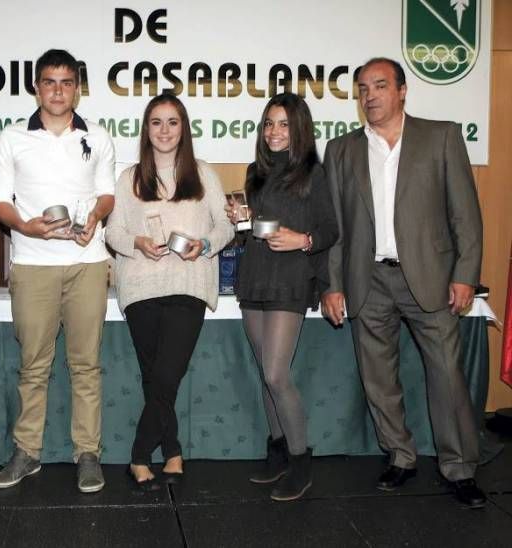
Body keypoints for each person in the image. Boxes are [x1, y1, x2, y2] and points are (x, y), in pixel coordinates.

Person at [321, 57, 486, 508]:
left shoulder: (442, 136)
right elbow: (335, 226)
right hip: (366, 279)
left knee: (448, 376)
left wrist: (465, 274)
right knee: (378, 378)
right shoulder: (341, 150)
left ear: (402, 90)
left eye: (378, 86)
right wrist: (333, 285)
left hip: (431, 279)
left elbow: (465, 217)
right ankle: (400, 455)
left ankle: (459, 468)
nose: (369, 96)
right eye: (362, 89)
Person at [0, 49, 115, 493]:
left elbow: (106, 194)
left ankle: (88, 454)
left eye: (66, 82)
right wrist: (25, 225)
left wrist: (97, 217)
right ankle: (27, 452)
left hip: (87, 263)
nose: (58, 90)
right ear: (36, 87)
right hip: (32, 264)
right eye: (49, 81)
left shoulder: (98, 137)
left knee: (86, 366)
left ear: (77, 88)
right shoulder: (11, 138)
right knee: (33, 367)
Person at [106, 94, 233, 487]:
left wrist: (205, 245)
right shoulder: (129, 177)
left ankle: (139, 455)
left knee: (166, 374)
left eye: (172, 122)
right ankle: (173, 450)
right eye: (156, 122)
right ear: (146, 129)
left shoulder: (203, 173)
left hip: (188, 283)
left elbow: (225, 226)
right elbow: (112, 231)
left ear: (184, 128)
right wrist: (138, 243)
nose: (164, 130)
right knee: (155, 377)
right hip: (141, 285)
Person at [226, 93, 338, 501]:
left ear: (300, 128)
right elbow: (256, 226)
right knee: (263, 372)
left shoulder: (314, 173)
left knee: (276, 374)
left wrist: (302, 240)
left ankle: (300, 461)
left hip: (291, 280)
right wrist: (241, 220)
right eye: (269, 123)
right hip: (254, 275)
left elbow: (329, 229)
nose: (274, 132)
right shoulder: (255, 172)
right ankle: (277, 452)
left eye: (284, 124)